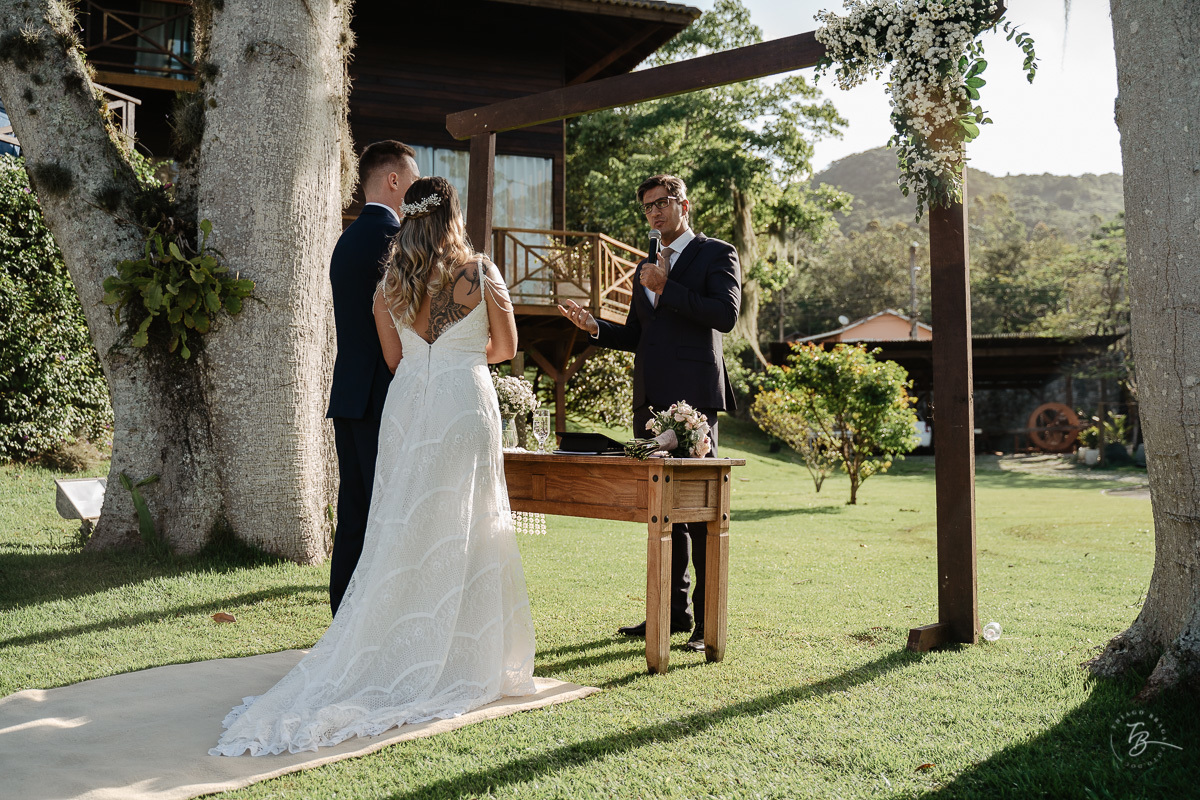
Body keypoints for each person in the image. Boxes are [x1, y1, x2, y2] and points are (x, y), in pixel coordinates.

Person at [212, 177, 535, 756]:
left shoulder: (392, 281)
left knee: (404, 525)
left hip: (410, 405)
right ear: (454, 215)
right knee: (467, 520)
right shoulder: (480, 273)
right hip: (464, 403)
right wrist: (461, 353)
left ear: (408, 218)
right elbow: (506, 347)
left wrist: (427, 358)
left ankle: (402, 639)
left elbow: (391, 357)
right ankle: (463, 651)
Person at [558, 174, 740, 653]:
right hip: (651, 403)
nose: (655, 213)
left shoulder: (716, 253)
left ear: (684, 204)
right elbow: (641, 334)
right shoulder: (643, 266)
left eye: (662, 204)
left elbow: (725, 315)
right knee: (663, 514)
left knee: (699, 515)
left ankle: (704, 626)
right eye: (647, 208)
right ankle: (671, 613)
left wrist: (669, 286)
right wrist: (596, 327)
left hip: (694, 404)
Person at [327, 140, 419, 617]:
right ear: (393, 180)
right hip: (383, 393)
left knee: (356, 508)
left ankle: (345, 613)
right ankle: (375, 620)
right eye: (413, 178)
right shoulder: (395, 241)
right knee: (384, 509)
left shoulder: (346, 239)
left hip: (348, 394)